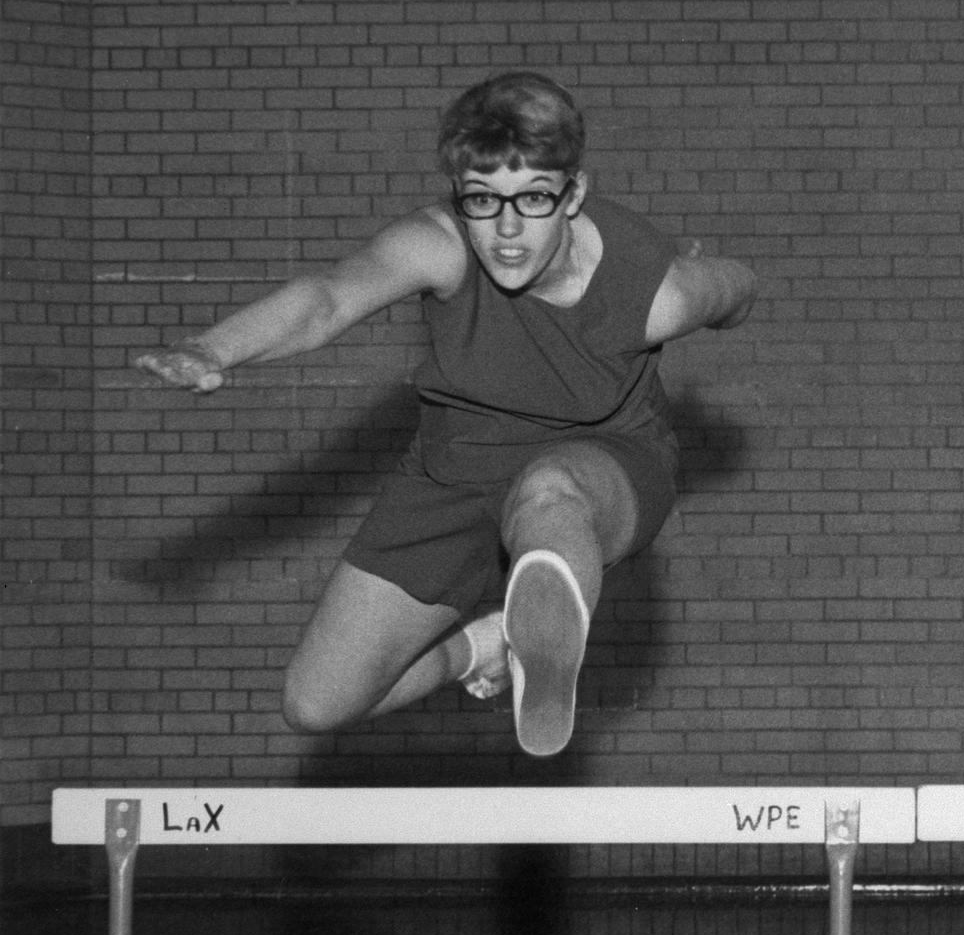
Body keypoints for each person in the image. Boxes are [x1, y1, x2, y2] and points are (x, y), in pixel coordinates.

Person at [135, 71, 757, 757]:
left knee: (550, 493)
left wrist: (713, 286)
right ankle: (485, 646)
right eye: (482, 200)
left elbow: (737, 287)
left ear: (574, 194)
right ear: (459, 196)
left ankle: (550, 636)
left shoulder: (655, 293)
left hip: (604, 459)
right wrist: (212, 348)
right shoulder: (437, 244)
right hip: (453, 473)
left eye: (534, 198)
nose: (507, 229)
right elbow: (327, 300)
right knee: (317, 703)